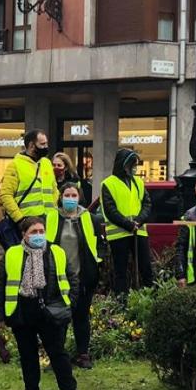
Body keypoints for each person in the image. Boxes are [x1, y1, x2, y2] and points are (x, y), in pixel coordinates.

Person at [0, 216, 79, 390]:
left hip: (51, 313)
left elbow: (71, 278)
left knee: (58, 355)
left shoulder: (56, 251)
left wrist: (69, 304)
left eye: (41, 231)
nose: (39, 236)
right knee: (27, 356)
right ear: (24, 235)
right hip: (22, 313)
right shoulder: (12, 254)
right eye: (34, 232)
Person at [45, 183, 100, 369]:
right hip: (57, 279)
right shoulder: (51, 217)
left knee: (81, 317)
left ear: (79, 197)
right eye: (66, 195)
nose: (70, 198)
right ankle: (57, 356)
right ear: (60, 197)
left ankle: (83, 354)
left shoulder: (90, 218)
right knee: (57, 318)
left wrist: (98, 263)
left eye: (73, 195)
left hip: (82, 277)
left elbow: (99, 245)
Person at [101, 147, 153, 295]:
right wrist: (128, 224)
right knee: (120, 271)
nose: (134, 168)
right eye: (132, 164)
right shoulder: (108, 184)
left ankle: (149, 297)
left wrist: (139, 221)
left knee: (146, 268)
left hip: (139, 231)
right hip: (119, 235)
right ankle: (121, 301)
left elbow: (147, 203)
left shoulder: (138, 182)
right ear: (123, 165)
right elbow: (110, 211)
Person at [0, 129, 58, 228]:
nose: (46, 147)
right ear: (31, 145)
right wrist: (20, 219)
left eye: (46, 143)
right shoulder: (15, 165)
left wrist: (54, 211)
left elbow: (54, 190)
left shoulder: (47, 163)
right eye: (42, 144)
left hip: (49, 220)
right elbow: (6, 195)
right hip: (27, 221)